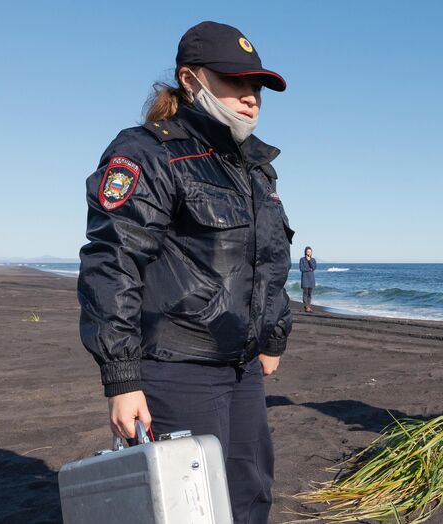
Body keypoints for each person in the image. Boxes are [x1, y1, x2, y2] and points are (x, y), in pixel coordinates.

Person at [77, 21, 294, 523]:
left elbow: (269, 261)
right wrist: (122, 376)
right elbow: (114, 259)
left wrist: (272, 338)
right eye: (235, 81)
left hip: (241, 367)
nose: (251, 98)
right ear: (191, 79)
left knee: (250, 494)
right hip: (177, 368)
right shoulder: (148, 151)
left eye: (257, 87)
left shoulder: (256, 168)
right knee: (190, 506)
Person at [299, 246, 316, 312]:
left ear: (311, 253)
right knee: (305, 293)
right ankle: (307, 307)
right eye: (308, 251)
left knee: (310, 294)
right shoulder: (302, 259)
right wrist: (309, 269)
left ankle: (308, 306)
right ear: (305, 252)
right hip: (305, 279)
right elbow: (301, 269)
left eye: (310, 252)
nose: (309, 253)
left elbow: (314, 268)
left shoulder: (313, 260)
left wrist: (309, 261)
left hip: (311, 279)